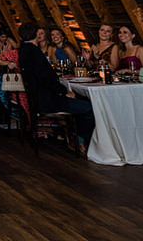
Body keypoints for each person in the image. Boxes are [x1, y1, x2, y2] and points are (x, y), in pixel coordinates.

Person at [17, 22, 94, 153]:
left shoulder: (23, 50)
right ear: (36, 35)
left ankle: (72, 137)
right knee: (89, 108)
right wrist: (63, 92)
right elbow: (45, 79)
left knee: (82, 101)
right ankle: (79, 140)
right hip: (49, 100)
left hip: (38, 98)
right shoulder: (34, 52)